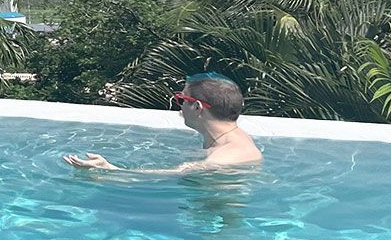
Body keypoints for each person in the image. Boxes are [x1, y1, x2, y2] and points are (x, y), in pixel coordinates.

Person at [64, 72, 262, 174]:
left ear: (197, 107)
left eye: (181, 99)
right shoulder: (220, 138)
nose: (178, 106)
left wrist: (110, 170)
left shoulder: (227, 156)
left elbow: (169, 175)